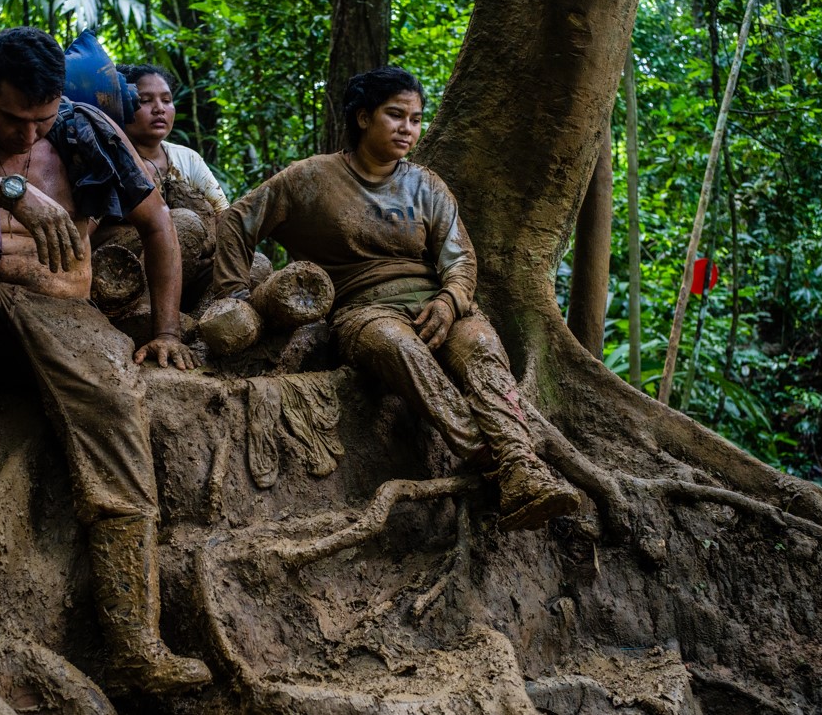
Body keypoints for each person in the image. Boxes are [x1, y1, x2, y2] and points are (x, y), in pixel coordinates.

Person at [0, 27, 210, 695]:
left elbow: (158, 224)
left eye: (41, 121)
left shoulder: (87, 131)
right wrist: (6, 191)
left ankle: (135, 643)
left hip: (64, 319)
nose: (27, 137)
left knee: (116, 410)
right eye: (10, 117)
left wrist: (167, 328)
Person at [213, 66, 582, 532]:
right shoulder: (309, 178)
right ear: (363, 117)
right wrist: (235, 297)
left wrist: (450, 301)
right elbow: (236, 221)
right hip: (363, 312)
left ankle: (523, 467)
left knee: (484, 348)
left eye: (415, 118)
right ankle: (492, 457)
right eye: (396, 115)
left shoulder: (426, 185)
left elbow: (461, 259)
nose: (408, 128)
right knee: (398, 347)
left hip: (441, 304)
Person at [116, 64, 229, 214]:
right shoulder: (109, 159)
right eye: (145, 100)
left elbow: (222, 213)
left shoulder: (188, 159)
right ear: (121, 107)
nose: (159, 108)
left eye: (166, 100)